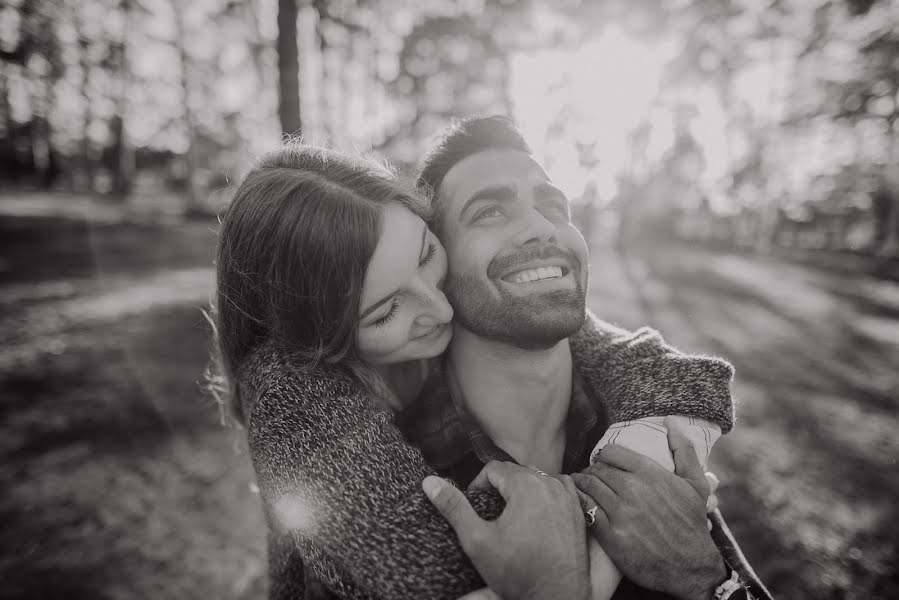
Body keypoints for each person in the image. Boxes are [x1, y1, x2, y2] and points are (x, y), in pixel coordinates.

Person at [210, 142, 767, 599]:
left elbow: (630, 352)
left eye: (427, 257)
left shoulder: (637, 423)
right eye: (386, 310)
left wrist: (708, 580)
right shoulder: (315, 425)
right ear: (322, 343)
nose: (440, 309)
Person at [405, 115, 770, 600]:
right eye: (490, 211)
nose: (541, 226)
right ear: (436, 265)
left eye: (553, 205)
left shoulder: (653, 433)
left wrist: (706, 579)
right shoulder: (394, 473)